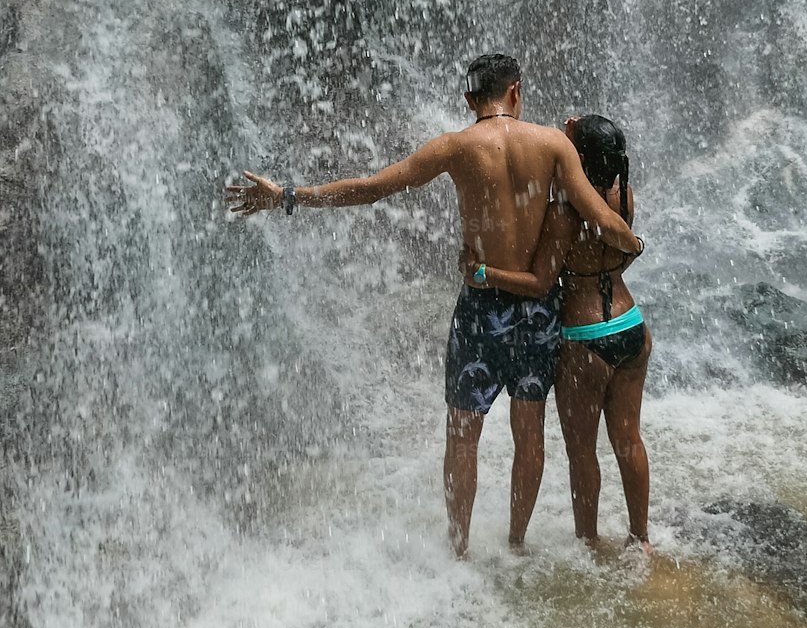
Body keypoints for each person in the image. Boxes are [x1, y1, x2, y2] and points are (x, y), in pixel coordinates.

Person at [224, 55, 642, 557]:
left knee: (463, 434)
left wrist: (288, 196)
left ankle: (460, 548)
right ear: (516, 92)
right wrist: (634, 244)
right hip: (536, 313)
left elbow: (372, 188)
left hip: (481, 311)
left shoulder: (455, 147)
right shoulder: (552, 144)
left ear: (470, 100)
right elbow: (600, 217)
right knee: (528, 431)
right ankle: (516, 545)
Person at [463, 115, 651, 552]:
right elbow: (625, 251)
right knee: (628, 439)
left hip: (585, 339)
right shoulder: (623, 196)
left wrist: (484, 272)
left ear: (579, 158)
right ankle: (641, 539)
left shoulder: (565, 212)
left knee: (582, 452)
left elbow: (540, 283)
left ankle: (588, 540)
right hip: (630, 326)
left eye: (570, 139)